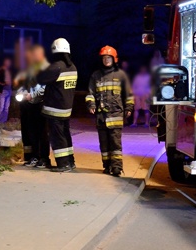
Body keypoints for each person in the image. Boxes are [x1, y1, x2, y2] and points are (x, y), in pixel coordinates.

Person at [86, 45, 133, 176]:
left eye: (109, 58)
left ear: (114, 59)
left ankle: (117, 168)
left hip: (116, 115)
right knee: (104, 145)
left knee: (115, 144)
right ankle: (107, 166)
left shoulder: (121, 75)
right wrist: (91, 105)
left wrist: (129, 108)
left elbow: (128, 94)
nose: (106, 60)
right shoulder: (96, 75)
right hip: (101, 116)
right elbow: (90, 93)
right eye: (104, 58)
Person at [37, 38, 78, 172]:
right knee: (66, 135)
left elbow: (40, 78)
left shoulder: (56, 67)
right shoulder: (72, 67)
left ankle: (63, 164)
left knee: (57, 137)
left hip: (54, 109)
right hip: (66, 109)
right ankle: (70, 162)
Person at [14, 44, 50, 168]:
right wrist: (20, 92)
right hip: (29, 106)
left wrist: (32, 95)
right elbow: (24, 85)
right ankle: (34, 157)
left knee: (42, 134)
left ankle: (44, 158)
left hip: (40, 105)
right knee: (31, 133)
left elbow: (44, 88)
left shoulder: (44, 70)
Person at [0, 57, 13, 124]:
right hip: (3, 90)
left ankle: (4, 120)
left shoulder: (9, 70)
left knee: (6, 107)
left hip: (9, 90)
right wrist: (2, 84)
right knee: (1, 106)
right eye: (7, 62)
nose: (8, 63)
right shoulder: (1, 69)